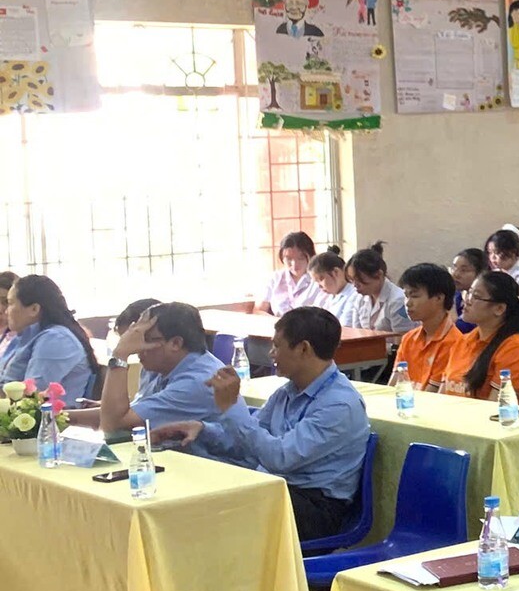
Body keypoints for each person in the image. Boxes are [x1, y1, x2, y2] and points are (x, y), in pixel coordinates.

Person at [156, 307, 371, 542]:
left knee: (214, 511)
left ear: (303, 348)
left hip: (316, 506)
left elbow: (279, 458)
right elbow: (248, 445)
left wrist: (231, 407)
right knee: (193, 487)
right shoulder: (287, 392)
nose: (271, 354)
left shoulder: (339, 404)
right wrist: (202, 430)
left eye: (277, 346)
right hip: (276, 487)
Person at [78, 302, 225, 436]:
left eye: (145, 340)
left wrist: (120, 355)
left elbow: (113, 425)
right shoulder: (158, 366)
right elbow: (124, 413)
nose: (137, 349)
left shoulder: (197, 383)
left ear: (175, 343)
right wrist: (64, 416)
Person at [448, 270, 519, 403]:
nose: (467, 300)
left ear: (499, 309)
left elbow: (496, 409)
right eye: (469, 293)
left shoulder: (516, 350)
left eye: (476, 296)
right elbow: (441, 396)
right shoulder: (463, 340)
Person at [0, 275, 99, 400]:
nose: (6, 311)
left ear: (34, 309)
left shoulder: (57, 340)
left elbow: (31, 396)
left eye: (9, 303)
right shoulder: (24, 336)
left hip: (48, 412)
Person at [391, 263, 465, 390]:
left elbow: (431, 395)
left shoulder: (454, 343)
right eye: (406, 296)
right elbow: (393, 386)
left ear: (439, 298)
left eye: (414, 296)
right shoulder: (408, 339)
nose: (408, 303)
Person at [345, 245, 411, 333]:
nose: (355, 285)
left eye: (360, 280)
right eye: (352, 280)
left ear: (379, 274)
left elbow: (402, 337)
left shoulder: (398, 300)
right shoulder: (359, 298)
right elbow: (357, 332)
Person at [255, 232, 317, 314]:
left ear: (311, 256)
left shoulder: (319, 280)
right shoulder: (275, 279)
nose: (294, 264)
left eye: (300, 258)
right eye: (288, 259)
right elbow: (259, 311)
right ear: (282, 258)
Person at [486, 228, 519, 292]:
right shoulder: (495, 273)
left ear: (512, 252)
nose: (492, 257)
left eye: (497, 252)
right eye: (490, 252)